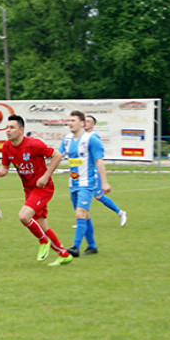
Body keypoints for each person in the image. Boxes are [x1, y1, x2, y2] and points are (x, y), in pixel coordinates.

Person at [0, 115, 72, 266]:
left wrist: (46, 175)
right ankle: (64, 254)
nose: (8, 130)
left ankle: (43, 242)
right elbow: (5, 168)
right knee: (42, 225)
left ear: (21, 130)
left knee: (23, 216)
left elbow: (57, 155)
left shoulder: (34, 145)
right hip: (29, 190)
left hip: (43, 188)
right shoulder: (7, 147)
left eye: (12, 127)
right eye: (7, 127)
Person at [59, 110, 111, 257]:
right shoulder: (67, 139)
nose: (70, 123)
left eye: (73, 120)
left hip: (87, 183)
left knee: (80, 213)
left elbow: (99, 161)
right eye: (68, 120)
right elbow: (58, 155)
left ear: (82, 123)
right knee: (85, 215)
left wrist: (104, 183)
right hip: (73, 183)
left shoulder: (91, 139)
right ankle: (92, 246)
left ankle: (75, 247)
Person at [85, 115, 127, 226]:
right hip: (84, 172)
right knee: (84, 192)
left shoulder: (93, 137)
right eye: (85, 120)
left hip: (93, 171)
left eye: (89, 121)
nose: (86, 123)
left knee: (97, 195)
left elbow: (98, 158)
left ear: (93, 125)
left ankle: (120, 212)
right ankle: (82, 219)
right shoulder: (81, 137)